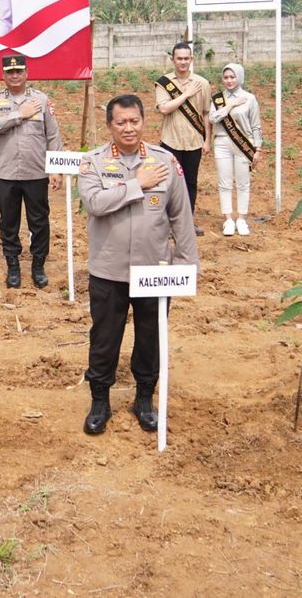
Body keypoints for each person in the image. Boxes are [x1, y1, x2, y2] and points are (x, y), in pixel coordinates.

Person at [77, 95, 198, 435]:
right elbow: (95, 203)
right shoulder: (93, 163)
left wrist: (186, 264)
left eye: (134, 121)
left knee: (150, 338)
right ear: (109, 126)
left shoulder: (165, 161)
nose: (128, 128)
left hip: (154, 270)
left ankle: (144, 399)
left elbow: (181, 217)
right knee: (104, 340)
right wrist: (137, 184)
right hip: (109, 270)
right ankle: (100, 401)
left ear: (144, 122)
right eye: (121, 122)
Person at [0, 54, 62, 288]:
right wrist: (19, 114)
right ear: (3, 75)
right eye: (10, 72)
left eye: (19, 71)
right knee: (9, 222)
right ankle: (13, 265)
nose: (15, 75)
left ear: (27, 73)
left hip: (36, 172)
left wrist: (55, 169)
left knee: (39, 222)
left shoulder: (41, 100)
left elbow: (53, 135)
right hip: (6, 174)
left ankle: (38, 265)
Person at [154, 41, 211, 235]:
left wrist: (207, 140)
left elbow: (206, 113)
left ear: (192, 59)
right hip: (170, 141)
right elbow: (164, 108)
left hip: (194, 142)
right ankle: (169, 223)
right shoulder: (164, 83)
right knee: (169, 183)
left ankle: (187, 222)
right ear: (173, 59)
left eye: (186, 58)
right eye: (179, 58)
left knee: (190, 183)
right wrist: (186, 94)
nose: (183, 62)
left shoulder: (202, 83)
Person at [209, 63, 264, 237]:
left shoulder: (249, 98)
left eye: (232, 77)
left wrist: (257, 148)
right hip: (222, 143)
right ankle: (228, 219)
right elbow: (213, 118)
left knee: (243, 183)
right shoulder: (218, 99)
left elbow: (256, 125)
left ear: (239, 77)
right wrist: (230, 105)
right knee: (224, 183)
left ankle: (241, 219)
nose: (229, 80)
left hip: (243, 144)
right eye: (226, 77)